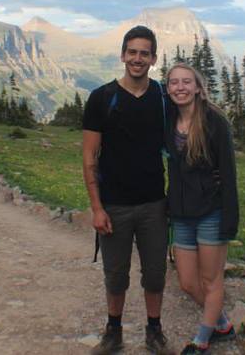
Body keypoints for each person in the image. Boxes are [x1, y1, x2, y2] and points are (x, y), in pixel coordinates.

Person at [81, 25, 172, 355]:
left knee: (156, 274)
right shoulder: (101, 98)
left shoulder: (163, 97)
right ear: (122, 55)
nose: (137, 58)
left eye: (144, 53)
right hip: (114, 204)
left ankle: (154, 330)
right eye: (132, 52)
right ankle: (113, 331)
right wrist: (97, 207)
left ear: (153, 58)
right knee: (115, 275)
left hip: (154, 204)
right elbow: (90, 156)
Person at [165, 63, 239, 355]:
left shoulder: (214, 122)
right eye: (173, 83)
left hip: (212, 212)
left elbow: (229, 174)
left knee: (211, 281)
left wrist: (230, 220)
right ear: (167, 88)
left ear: (198, 87)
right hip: (181, 214)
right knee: (187, 283)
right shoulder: (168, 120)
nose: (180, 87)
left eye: (186, 82)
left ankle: (202, 340)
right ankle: (222, 324)